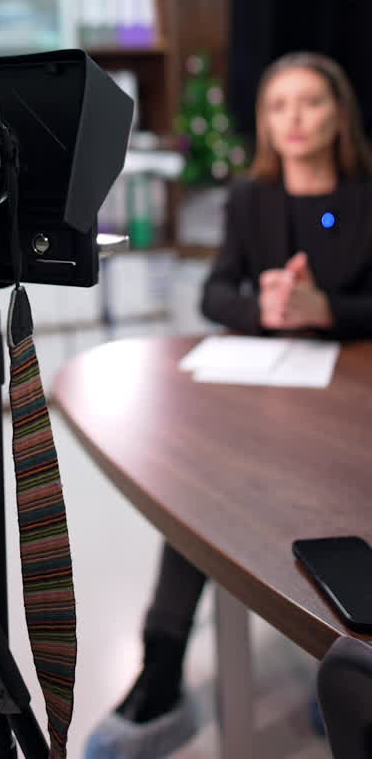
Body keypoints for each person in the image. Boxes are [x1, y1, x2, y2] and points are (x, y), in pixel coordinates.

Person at [85, 51, 372, 759]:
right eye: (278, 106)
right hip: (267, 386)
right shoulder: (250, 201)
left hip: (353, 390)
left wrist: (324, 308)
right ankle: (160, 668)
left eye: (309, 102)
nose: (294, 119)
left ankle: (347, 662)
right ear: (265, 123)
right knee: (203, 496)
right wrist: (267, 308)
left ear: (339, 114)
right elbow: (216, 295)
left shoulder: (368, 195)